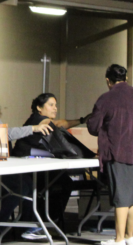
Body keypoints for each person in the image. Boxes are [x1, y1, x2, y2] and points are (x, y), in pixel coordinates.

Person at [86, 64, 133, 245]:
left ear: (108, 80)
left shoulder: (107, 98)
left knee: (121, 197)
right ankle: (130, 236)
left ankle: (118, 239)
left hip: (119, 151)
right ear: (126, 78)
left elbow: (93, 126)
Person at [12, 92, 89, 236]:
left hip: (36, 165)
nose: (55, 108)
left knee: (63, 181)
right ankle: (44, 219)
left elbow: (60, 123)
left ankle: (48, 218)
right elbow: (51, 124)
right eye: (51, 105)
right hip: (24, 166)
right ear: (39, 108)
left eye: (56, 105)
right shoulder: (38, 119)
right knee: (63, 182)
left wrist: (82, 120)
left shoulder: (45, 120)